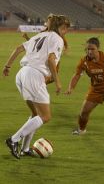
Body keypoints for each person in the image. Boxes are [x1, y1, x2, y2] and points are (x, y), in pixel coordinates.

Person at [3, 15, 70, 159]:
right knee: (45, 116)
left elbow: (18, 48)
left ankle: (25, 149)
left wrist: (7, 66)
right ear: (62, 28)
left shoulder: (40, 35)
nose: (66, 32)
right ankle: (14, 139)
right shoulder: (57, 39)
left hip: (21, 74)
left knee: (35, 114)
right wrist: (57, 81)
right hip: (34, 75)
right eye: (66, 29)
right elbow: (51, 59)